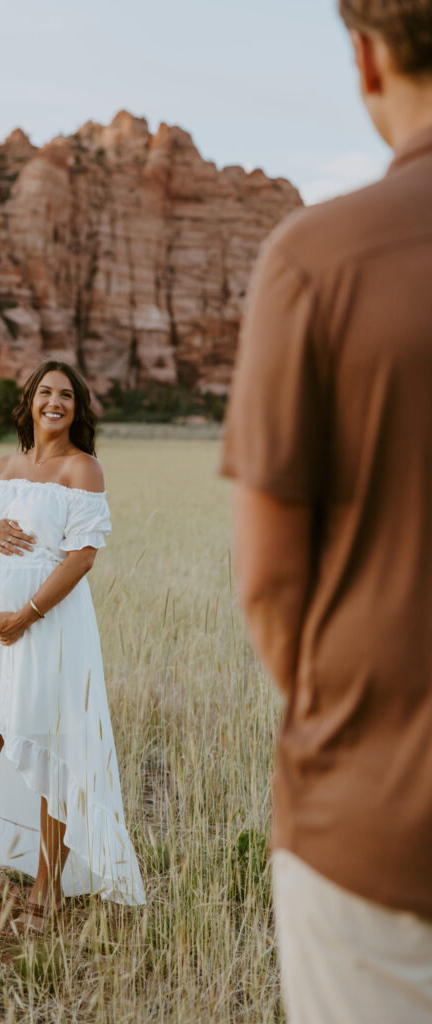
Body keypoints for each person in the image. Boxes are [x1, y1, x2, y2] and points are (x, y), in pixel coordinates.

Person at [220, 1, 432, 1020]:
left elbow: (266, 579)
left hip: (370, 832)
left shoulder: (313, 259)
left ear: (363, 57)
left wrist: (342, 730)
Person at [0, 360, 145, 934]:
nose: (55, 402)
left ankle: (45, 894)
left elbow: (83, 556)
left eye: (66, 395)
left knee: (52, 756)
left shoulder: (83, 469)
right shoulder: (2, 466)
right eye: (45, 392)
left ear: (78, 408)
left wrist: (27, 614)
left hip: (48, 631)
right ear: (28, 401)